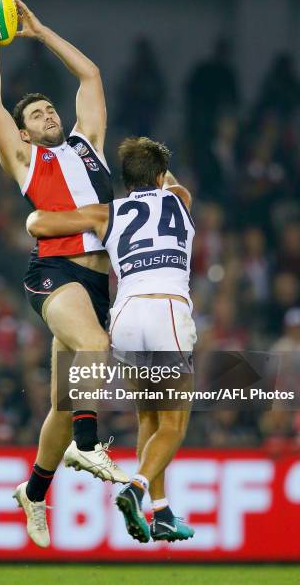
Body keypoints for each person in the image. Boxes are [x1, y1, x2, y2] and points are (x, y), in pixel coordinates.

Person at [0, 0, 128, 549]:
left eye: (49, 111)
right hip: (54, 272)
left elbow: (90, 75)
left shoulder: (89, 147)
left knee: (64, 402)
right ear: (22, 133)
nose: (48, 117)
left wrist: (39, 32)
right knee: (95, 343)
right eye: (35, 116)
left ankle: (34, 491)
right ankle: (89, 444)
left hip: (97, 282)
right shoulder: (25, 161)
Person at [27, 136, 196, 543]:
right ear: (158, 176)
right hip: (167, 309)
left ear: (125, 181)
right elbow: (168, 181)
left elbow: (40, 223)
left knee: (148, 417)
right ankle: (136, 489)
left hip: (124, 316)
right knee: (174, 423)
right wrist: (158, 164)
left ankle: (161, 511)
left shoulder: (107, 213)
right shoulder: (179, 198)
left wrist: (36, 221)